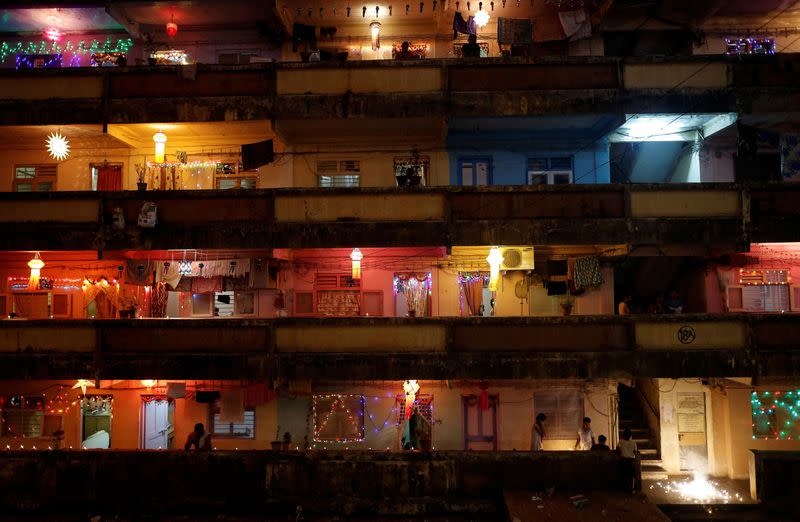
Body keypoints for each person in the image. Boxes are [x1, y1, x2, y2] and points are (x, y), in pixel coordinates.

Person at [617, 428, 638, 493]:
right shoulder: (634, 442)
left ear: (623, 435)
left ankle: (624, 489)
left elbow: (617, 448)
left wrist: (621, 452)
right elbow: (635, 452)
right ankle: (632, 489)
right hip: (631, 460)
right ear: (631, 435)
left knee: (623, 474)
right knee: (632, 475)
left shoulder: (621, 441)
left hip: (623, 460)